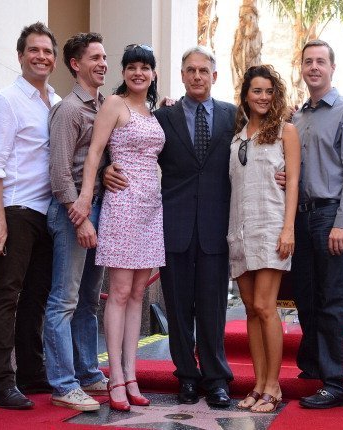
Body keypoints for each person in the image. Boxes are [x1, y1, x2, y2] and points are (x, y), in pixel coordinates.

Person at [104, 46, 235, 407]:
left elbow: (252, 152)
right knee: (177, 307)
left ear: (214, 76)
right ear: (180, 75)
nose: (197, 76)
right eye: (190, 70)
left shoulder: (232, 115)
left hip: (215, 225)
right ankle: (187, 377)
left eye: (203, 71)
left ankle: (216, 378)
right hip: (170, 223)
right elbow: (121, 143)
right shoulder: (162, 116)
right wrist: (105, 170)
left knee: (212, 307)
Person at [70, 44, 164, 411]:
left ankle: (133, 375)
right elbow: (95, 152)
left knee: (138, 294)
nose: (138, 73)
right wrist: (85, 196)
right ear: (123, 72)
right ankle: (116, 380)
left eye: (145, 67)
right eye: (132, 67)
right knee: (120, 292)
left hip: (151, 209)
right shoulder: (114, 104)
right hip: (122, 204)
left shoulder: (155, 112)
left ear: (153, 73)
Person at [0, 22, 60, 410]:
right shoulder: (6, 99)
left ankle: (31, 372)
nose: (41, 56)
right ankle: (0, 382)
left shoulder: (55, 101)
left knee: (36, 298)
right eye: (34, 50)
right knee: (4, 296)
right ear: (20, 55)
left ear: (55, 59)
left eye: (47, 51)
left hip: (46, 214)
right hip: (13, 209)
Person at [290, 40, 343, 409]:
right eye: (308, 61)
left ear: (332, 67)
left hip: (330, 216)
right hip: (300, 216)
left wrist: (342, 222)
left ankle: (337, 382)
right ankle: (316, 365)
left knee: (333, 299)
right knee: (305, 295)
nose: (314, 67)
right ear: (301, 68)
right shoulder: (297, 116)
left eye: (321, 61)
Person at [44, 32, 109, 412]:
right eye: (94, 58)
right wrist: (80, 219)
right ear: (75, 64)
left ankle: (87, 372)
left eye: (104, 58)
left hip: (97, 210)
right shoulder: (69, 109)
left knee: (87, 301)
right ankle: (63, 383)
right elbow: (59, 173)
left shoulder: (103, 106)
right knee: (64, 300)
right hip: (73, 215)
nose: (102, 63)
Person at [229, 65, 300, 413]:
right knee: (251, 311)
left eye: (268, 91)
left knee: (264, 306)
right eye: (256, 91)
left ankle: (274, 386)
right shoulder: (237, 135)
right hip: (238, 230)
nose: (262, 97)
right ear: (245, 95)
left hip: (271, 227)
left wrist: (288, 229)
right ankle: (258, 384)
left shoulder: (286, 131)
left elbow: (295, 184)